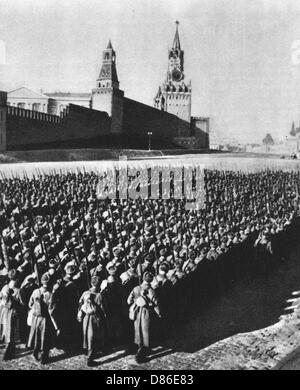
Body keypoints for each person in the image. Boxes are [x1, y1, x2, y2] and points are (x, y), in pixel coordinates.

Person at [127, 272, 161, 363]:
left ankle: (139, 347)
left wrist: (135, 301)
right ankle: (140, 355)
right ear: (152, 280)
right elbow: (155, 304)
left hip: (136, 311)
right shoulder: (151, 290)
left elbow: (128, 300)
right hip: (146, 312)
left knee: (138, 331)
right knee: (146, 332)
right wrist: (159, 313)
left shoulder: (136, 288)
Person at [27, 273, 58, 364]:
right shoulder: (51, 295)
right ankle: (44, 357)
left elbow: (30, 304)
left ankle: (35, 352)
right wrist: (56, 326)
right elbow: (51, 311)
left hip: (36, 318)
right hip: (45, 319)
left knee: (36, 336)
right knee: (45, 338)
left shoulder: (35, 291)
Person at [77, 276, 106, 366]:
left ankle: (87, 351)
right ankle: (90, 358)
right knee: (94, 337)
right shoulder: (99, 295)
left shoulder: (85, 293)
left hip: (86, 317)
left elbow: (80, 303)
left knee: (87, 335)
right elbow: (102, 308)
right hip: (95, 318)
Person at [0, 279, 24, 360]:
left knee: (7, 333)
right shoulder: (12, 300)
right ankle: (7, 354)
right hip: (11, 316)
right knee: (11, 334)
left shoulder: (4, 298)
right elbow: (19, 305)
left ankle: (9, 351)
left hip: (5, 316)